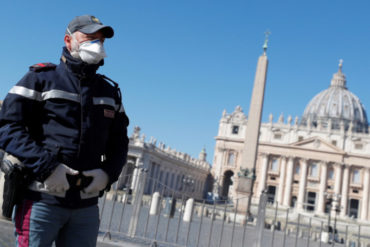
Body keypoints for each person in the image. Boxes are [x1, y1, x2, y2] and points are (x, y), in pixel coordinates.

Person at [0, 14, 129, 246]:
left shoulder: (109, 92)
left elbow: (120, 143)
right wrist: (47, 167)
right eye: (90, 37)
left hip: (86, 207)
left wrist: (107, 174)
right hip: (41, 198)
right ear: (68, 40)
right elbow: (7, 127)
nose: (97, 45)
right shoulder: (40, 79)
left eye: (101, 40)